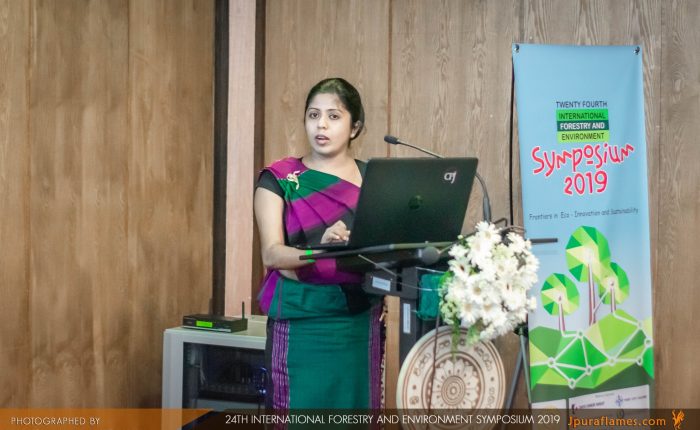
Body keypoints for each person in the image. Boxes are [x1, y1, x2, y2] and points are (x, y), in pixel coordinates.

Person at [254, 78, 384, 409]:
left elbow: (385, 252)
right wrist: (320, 250)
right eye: (313, 115)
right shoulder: (280, 179)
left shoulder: (375, 181)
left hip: (358, 324)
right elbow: (272, 253)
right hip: (301, 323)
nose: (321, 125)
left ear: (355, 128)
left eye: (333, 116)